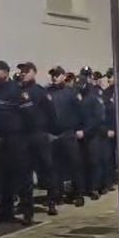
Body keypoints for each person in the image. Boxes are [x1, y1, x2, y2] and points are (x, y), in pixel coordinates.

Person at [0, 61, 34, 224]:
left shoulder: (16, 90)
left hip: (17, 138)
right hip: (0, 139)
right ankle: (6, 211)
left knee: (23, 175)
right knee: (4, 176)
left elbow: (29, 114)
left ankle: (27, 211)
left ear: (5, 72)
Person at [17, 62, 59, 215]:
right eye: (21, 71)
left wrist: (52, 132)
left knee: (46, 168)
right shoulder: (17, 92)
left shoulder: (40, 92)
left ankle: (52, 200)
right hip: (23, 136)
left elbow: (51, 113)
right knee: (24, 171)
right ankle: (25, 203)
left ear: (34, 72)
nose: (23, 73)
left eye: (26, 71)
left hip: (39, 134)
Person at [48, 66, 86, 207]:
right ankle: (56, 196)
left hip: (69, 133)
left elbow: (80, 112)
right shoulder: (48, 92)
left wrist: (80, 128)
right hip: (53, 135)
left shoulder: (71, 92)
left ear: (63, 76)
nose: (54, 77)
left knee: (75, 164)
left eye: (57, 75)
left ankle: (79, 194)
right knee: (54, 167)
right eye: (53, 75)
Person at [81, 72, 108, 198]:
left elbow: (98, 118)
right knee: (87, 162)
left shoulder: (94, 96)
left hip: (93, 133)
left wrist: (86, 131)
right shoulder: (82, 96)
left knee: (95, 161)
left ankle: (95, 187)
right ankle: (90, 187)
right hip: (84, 134)